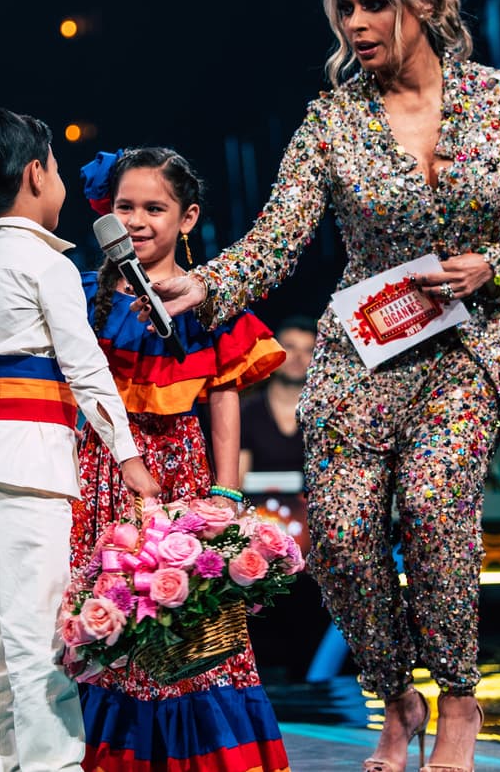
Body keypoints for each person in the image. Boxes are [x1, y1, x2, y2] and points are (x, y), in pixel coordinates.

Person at [145, 0, 500, 771]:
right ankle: (396, 694)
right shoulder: (332, 120)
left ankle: (457, 701)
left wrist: (497, 261)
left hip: (469, 347)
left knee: (431, 506)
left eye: (374, 2)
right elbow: (281, 231)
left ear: (428, 4)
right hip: (366, 349)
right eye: (345, 7)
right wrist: (212, 283)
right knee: (337, 535)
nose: (356, 22)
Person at [0, 108, 160, 772]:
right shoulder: (48, 264)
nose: (58, 181)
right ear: (35, 175)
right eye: (55, 169)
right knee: (37, 637)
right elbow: (86, 367)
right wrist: (129, 456)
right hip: (31, 465)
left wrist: (8, 400)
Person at [71, 147, 290, 770]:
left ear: (187, 218)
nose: (137, 221)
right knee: (97, 621)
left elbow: (222, 397)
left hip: (180, 478)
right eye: (124, 208)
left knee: (187, 633)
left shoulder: (208, 298)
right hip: (100, 473)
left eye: (154, 208)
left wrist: (224, 495)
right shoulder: (83, 295)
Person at [239, 315, 317, 482]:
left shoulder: (323, 415)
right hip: (255, 506)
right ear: (274, 351)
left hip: (311, 506)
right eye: (290, 346)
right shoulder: (246, 411)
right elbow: (237, 482)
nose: (298, 356)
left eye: (309, 350)